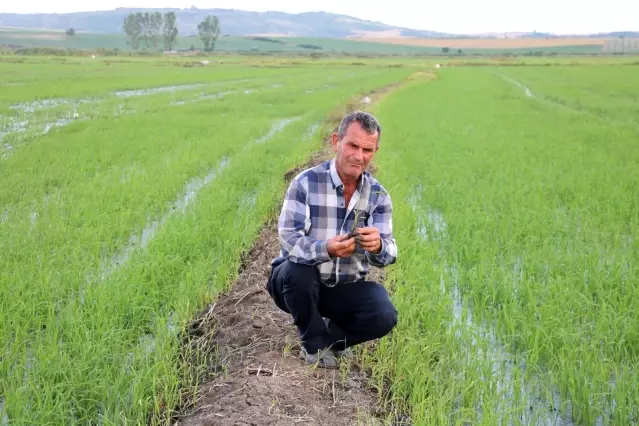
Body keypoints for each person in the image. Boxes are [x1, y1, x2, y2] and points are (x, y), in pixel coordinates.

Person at [266, 111, 398, 369]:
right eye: (352, 145)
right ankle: (313, 342)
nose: (359, 156)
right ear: (336, 141)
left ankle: (333, 340)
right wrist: (325, 249)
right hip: (296, 286)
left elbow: (390, 251)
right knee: (297, 270)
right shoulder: (305, 183)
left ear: (375, 152)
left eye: (367, 150)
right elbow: (289, 240)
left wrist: (378, 246)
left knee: (384, 313)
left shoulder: (379, 196)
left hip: (343, 289)